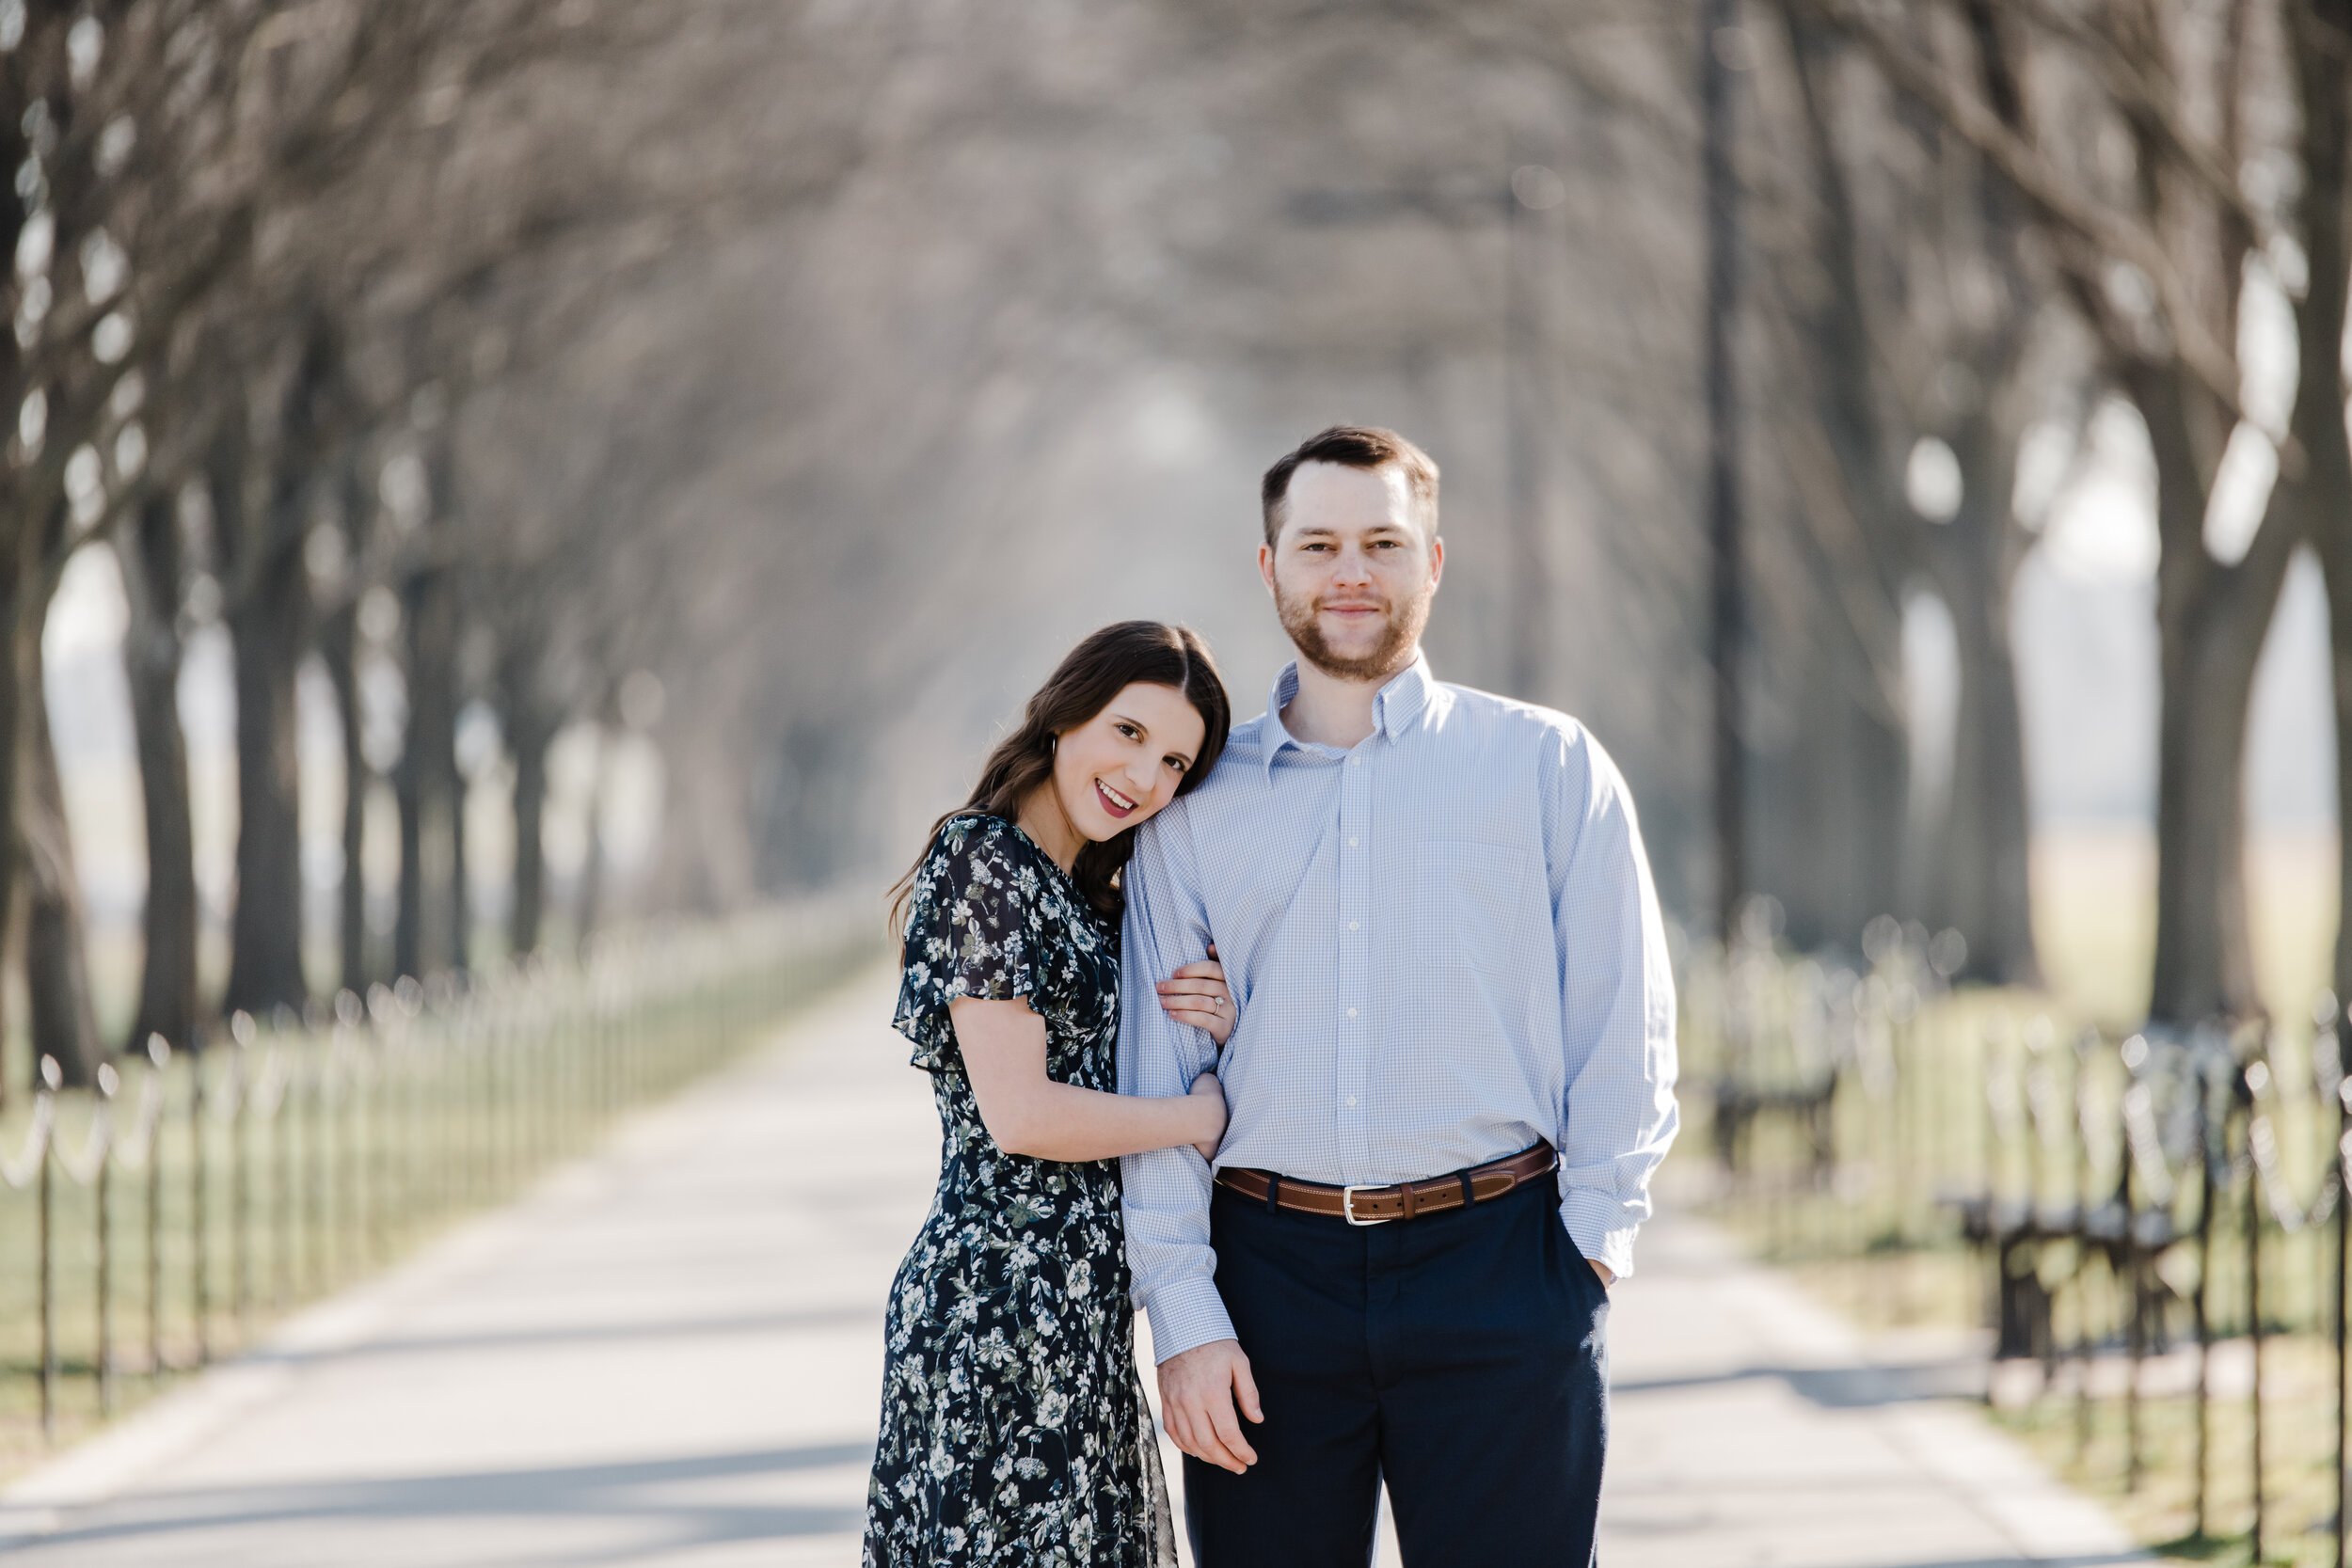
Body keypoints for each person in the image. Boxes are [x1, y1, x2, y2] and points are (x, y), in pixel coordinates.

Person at [1119, 427, 1680, 1566]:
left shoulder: (1547, 766)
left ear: (1434, 562)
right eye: (1318, 543)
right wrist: (1182, 1315)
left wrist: (1587, 1257)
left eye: (1382, 541)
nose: (1351, 572)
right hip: (1267, 1286)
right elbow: (1155, 1073)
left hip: (1504, 1273)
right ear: (1269, 568)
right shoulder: (1195, 805)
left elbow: (1626, 1022)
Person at [865, 620, 1248, 1568]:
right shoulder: (983, 864)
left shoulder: (1091, 892)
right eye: (1127, 732)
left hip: (1079, 1317)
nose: (1144, 777)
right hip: (992, 1314)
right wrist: (1191, 1118)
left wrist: (1221, 1012)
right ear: (1066, 710)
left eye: (1173, 761)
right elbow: (1022, 1112)